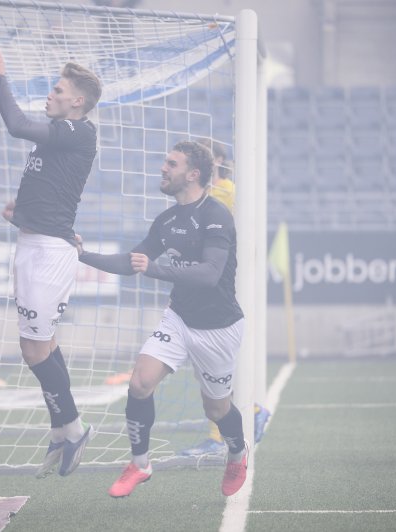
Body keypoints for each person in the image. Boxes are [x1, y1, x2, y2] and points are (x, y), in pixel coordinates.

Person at [78, 140, 249, 497]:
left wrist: (154, 269)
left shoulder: (216, 214)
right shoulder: (167, 220)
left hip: (219, 327)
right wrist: (81, 255)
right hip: (180, 318)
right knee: (140, 382)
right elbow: (131, 262)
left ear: (194, 174)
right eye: (165, 161)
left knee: (216, 408)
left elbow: (209, 274)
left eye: (172, 163)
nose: (163, 168)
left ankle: (237, 452)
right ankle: (140, 464)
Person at [0, 45, 102, 478]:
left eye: (57, 90)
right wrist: (24, 212)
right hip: (37, 245)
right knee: (36, 345)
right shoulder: (63, 134)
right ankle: (61, 429)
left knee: (35, 349)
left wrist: (0, 73)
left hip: (48, 255)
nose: (50, 95)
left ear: (77, 102)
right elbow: (53, 187)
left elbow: (15, 124)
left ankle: (73, 429)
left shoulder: (79, 131)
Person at [181, 140, 270, 460]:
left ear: (216, 160)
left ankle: (221, 435)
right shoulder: (198, 197)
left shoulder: (230, 192)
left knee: (215, 363)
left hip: (223, 286)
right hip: (201, 285)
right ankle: (252, 411)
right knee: (204, 364)